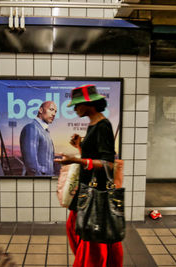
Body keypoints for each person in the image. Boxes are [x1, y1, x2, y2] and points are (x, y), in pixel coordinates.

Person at [55, 85, 123, 267]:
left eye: (77, 105)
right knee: (78, 230)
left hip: (95, 192)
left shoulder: (103, 125)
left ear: (88, 104)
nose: (74, 108)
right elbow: (95, 157)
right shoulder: (94, 124)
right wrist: (80, 147)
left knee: (90, 239)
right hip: (88, 190)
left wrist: (76, 161)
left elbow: (108, 163)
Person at [20, 101, 57, 176]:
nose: (54, 114)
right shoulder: (31, 128)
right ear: (40, 110)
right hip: (38, 183)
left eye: (55, 112)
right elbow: (31, 166)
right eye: (51, 109)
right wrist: (41, 182)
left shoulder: (45, 132)